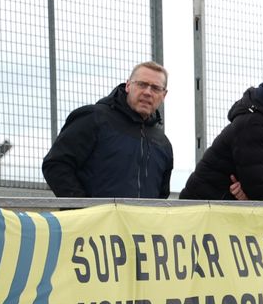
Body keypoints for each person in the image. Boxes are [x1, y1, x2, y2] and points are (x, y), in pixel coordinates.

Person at [41, 61, 175, 200]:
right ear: (128, 85)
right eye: (141, 84)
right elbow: (56, 165)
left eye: (155, 88)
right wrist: (84, 209)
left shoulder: (163, 143)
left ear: (164, 95)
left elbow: (161, 195)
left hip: (142, 221)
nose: (147, 92)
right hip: (94, 220)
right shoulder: (94, 118)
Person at [179, 69, 263, 201]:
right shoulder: (253, 124)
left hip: (228, 208)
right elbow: (261, 190)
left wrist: (257, 195)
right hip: (202, 207)